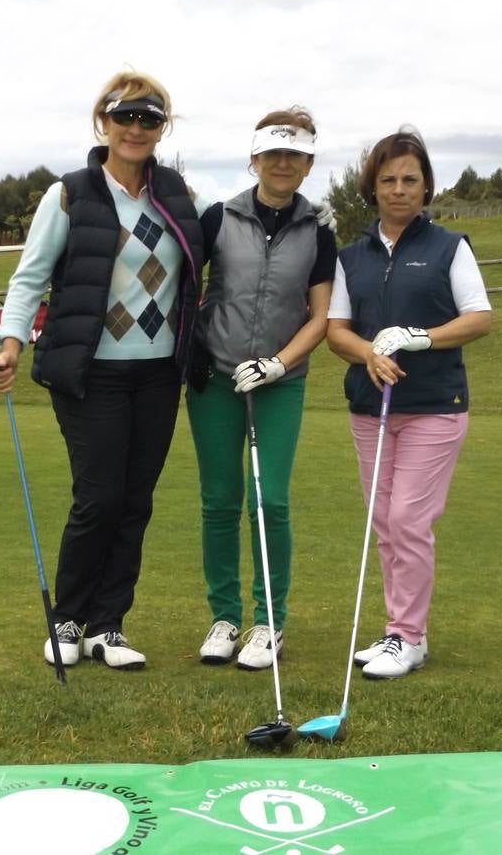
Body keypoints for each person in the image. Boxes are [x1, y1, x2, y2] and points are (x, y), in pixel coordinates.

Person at [0, 71, 204, 671]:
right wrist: (10, 345)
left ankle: (109, 624)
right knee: (99, 497)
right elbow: (29, 278)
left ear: (163, 128)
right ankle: (70, 619)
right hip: (91, 372)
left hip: (159, 374)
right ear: (102, 122)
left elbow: (226, 235)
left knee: (136, 501)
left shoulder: (178, 193)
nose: (136, 128)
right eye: (124, 116)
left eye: (149, 118)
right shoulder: (70, 193)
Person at [325, 126, 491, 680]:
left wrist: (419, 337)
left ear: (426, 188)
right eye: (388, 179)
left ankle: (408, 637)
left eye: (410, 180)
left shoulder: (450, 246)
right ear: (372, 188)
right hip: (371, 407)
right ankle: (397, 630)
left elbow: (478, 318)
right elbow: (337, 330)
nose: (399, 189)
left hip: (434, 404)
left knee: (408, 518)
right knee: (385, 521)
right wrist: (370, 352)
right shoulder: (351, 257)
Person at [188, 107, 337, 670]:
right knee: (220, 502)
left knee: (269, 499)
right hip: (214, 379)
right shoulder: (217, 218)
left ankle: (268, 622)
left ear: (308, 164)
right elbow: (185, 291)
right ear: (254, 159)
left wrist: (277, 364)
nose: (282, 163)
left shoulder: (319, 230)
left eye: (294, 155)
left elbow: (320, 316)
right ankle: (224, 617)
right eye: (272, 154)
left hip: (281, 382)